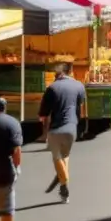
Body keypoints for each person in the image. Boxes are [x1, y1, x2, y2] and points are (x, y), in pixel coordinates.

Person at [38, 62, 85, 203]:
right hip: (72, 128)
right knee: (65, 156)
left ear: (56, 75)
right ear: (70, 72)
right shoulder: (79, 86)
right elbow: (80, 107)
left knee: (56, 157)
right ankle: (63, 186)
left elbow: (42, 114)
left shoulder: (51, 88)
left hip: (56, 129)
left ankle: (64, 182)